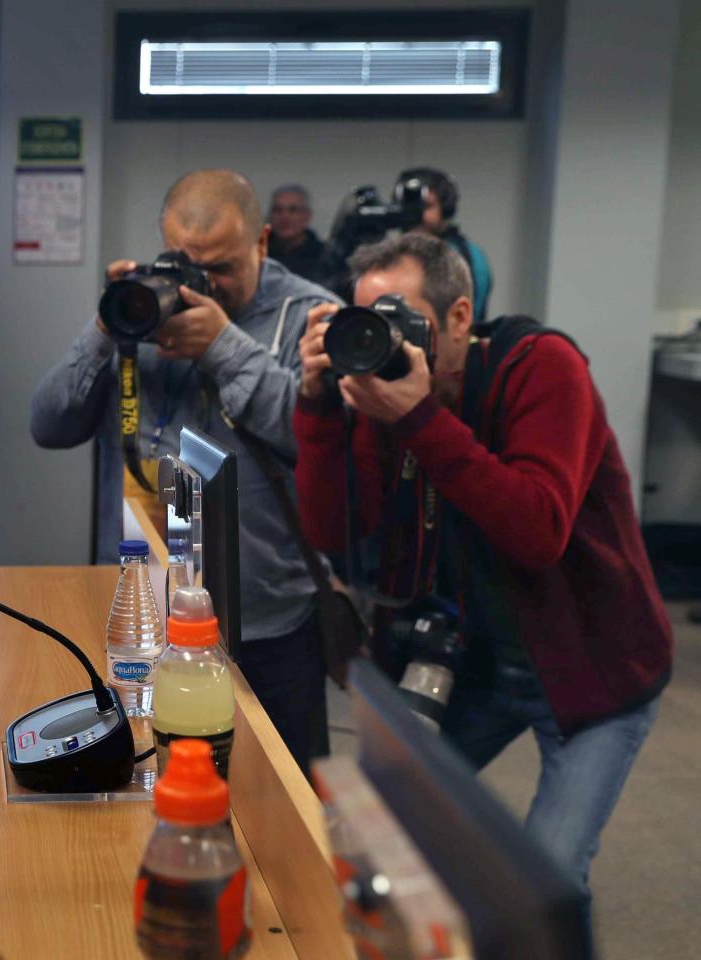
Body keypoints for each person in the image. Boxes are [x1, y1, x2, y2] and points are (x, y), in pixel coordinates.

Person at [293, 232, 671, 916]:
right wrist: (319, 407)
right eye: (367, 322)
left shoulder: (543, 369)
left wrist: (419, 419)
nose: (386, 341)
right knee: (383, 832)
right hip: (476, 662)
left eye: (404, 321)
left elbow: (537, 531)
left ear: (461, 317)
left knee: (544, 881)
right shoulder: (387, 397)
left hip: (594, 669)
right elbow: (333, 533)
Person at [30, 169, 342, 770]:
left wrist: (224, 344)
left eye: (222, 267)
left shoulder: (308, 316)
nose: (206, 283)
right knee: (150, 782)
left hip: (266, 621)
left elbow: (313, 443)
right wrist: (107, 327)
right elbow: (49, 425)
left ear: (263, 244)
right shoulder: (143, 308)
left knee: (282, 801)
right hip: (144, 617)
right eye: (187, 261)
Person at [400, 167, 494, 323]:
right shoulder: (390, 253)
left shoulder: (469, 257)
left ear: (446, 209)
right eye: (409, 207)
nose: (414, 215)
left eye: (426, 206)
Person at [267, 184, 326, 283]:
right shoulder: (257, 254)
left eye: (293, 210)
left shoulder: (325, 257)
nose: (284, 217)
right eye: (278, 210)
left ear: (307, 216)